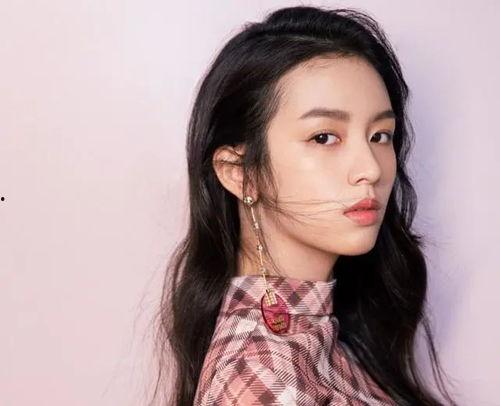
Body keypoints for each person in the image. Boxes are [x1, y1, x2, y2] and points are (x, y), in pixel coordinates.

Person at [151, 5, 459, 406]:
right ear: (239, 173)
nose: (370, 168)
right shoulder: (263, 378)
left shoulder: (320, 337)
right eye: (324, 137)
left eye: (380, 136)